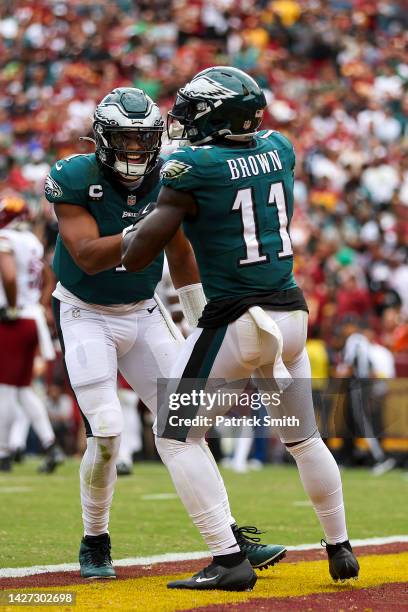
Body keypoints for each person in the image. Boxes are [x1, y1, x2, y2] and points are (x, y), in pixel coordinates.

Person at [122, 66, 360, 590]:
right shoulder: (281, 147)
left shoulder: (191, 166)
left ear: (216, 117)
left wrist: (123, 230)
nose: (182, 117)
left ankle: (228, 560)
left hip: (238, 319)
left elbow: (142, 250)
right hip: (292, 316)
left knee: (174, 433)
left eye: (192, 109)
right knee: (305, 438)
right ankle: (340, 547)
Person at [45, 87, 286, 581]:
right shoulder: (75, 175)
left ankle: (229, 540)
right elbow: (88, 255)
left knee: (186, 425)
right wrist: (150, 226)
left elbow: (179, 252)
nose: (135, 150)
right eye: (125, 139)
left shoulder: (171, 173)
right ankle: (95, 537)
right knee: (108, 433)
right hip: (85, 312)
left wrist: (202, 314)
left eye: (144, 138)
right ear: (102, 138)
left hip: (145, 310)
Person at [0, 193, 63, 474]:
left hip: (13, 319)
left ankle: (3, 450)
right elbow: (48, 277)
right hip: (32, 318)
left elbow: (10, 275)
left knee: (4, 390)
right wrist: (37, 303)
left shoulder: (6, 240)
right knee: (23, 389)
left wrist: (13, 306)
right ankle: (50, 444)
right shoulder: (33, 242)